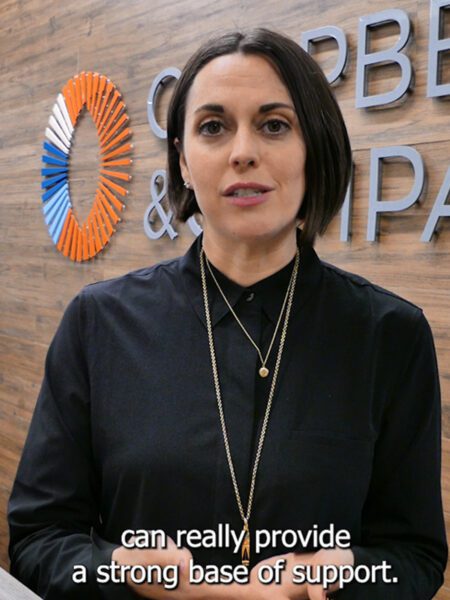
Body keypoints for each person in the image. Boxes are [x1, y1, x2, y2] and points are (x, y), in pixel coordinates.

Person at [8, 28, 447, 600]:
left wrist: (342, 578)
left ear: (315, 148)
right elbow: (39, 538)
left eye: (274, 125)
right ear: (184, 164)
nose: (243, 151)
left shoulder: (389, 335)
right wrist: (134, 574)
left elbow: (414, 555)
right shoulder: (99, 323)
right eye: (213, 127)